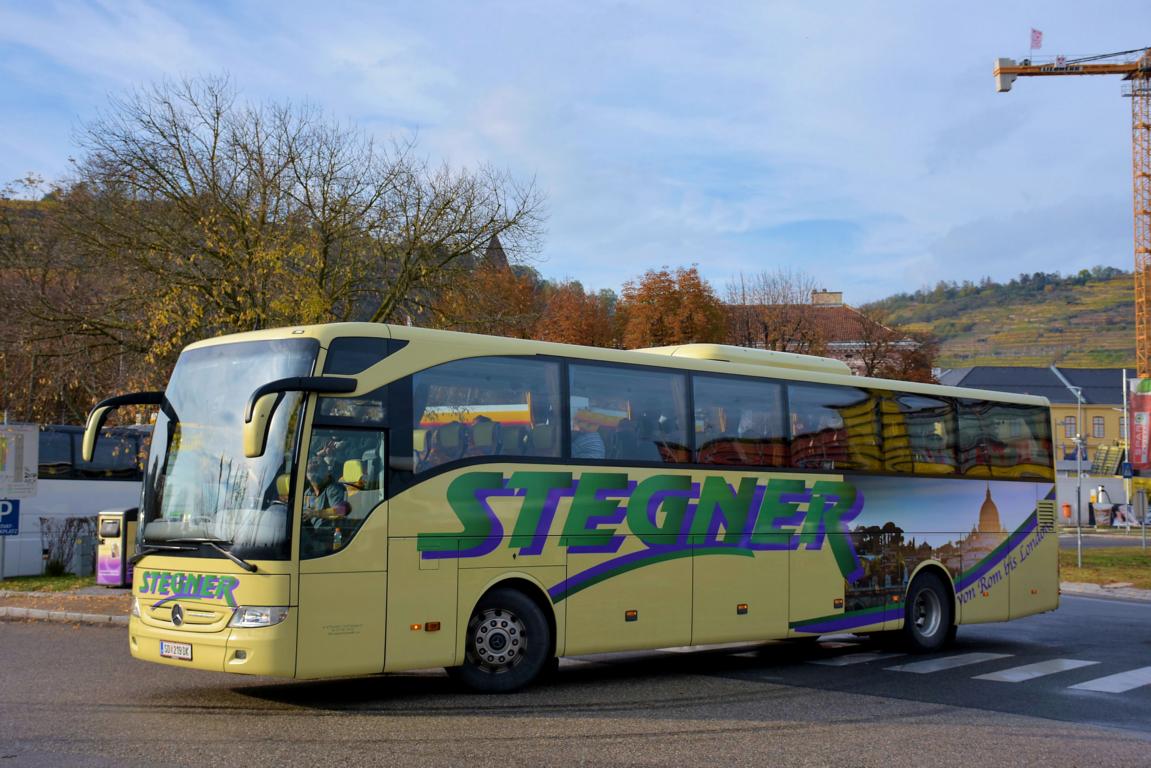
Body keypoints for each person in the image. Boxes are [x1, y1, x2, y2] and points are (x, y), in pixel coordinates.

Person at [303, 456, 350, 520]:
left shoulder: (334, 489)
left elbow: (341, 511)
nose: (313, 475)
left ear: (327, 472)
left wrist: (314, 513)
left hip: (328, 528)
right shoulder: (308, 492)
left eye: (316, 469)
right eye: (310, 471)